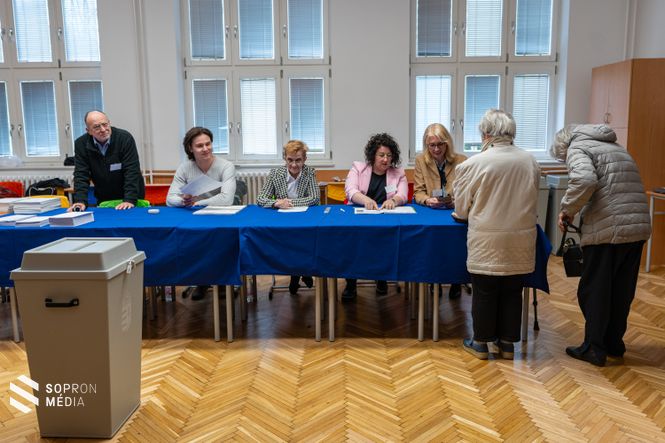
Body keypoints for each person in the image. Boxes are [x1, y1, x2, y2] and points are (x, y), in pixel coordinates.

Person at [550, 124, 651, 367]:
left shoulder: (578, 148)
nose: (565, 161)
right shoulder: (616, 147)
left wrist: (567, 209)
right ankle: (613, 344)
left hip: (608, 230)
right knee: (621, 290)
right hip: (636, 227)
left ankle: (593, 348)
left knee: (594, 289)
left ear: (564, 147)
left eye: (563, 159)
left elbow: (585, 179)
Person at [453, 109, 540, 360]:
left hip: (487, 239)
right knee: (513, 291)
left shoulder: (473, 164)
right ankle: (507, 345)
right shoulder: (530, 161)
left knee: (485, 291)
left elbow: (461, 209)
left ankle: (480, 343)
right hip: (521, 237)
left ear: (486, 133)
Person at [167, 126, 236, 300]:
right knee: (195, 243)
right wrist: (183, 201)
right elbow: (170, 199)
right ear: (190, 148)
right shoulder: (184, 168)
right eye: (199, 146)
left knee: (221, 243)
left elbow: (226, 199)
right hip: (195, 218)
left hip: (221, 216)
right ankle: (201, 281)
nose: (206, 149)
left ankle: (224, 281)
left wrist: (197, 203)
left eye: (208, 144)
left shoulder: (226, 166)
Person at [342, 132, 408, 301]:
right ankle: (351, 283)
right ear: (373, 155)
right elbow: (350, 191)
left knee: (384, 243)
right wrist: (365, 200)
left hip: (384, 218)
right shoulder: (358, 168)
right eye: (381, 155)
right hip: (360, 217)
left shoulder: (398, 173)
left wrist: (393, 200)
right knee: (352, 245)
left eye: (389, 155)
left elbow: (403, 195)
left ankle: (381, 278)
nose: (385, 159)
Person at [257, 140, 320, 294]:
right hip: (283, 219)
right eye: (290, 160)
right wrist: (276, 203)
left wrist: (288, 203)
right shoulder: (275, 174)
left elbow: (314, 198)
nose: (294, 164)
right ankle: (299, 273)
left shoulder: (309, 172)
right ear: (284, 158)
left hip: (305, 218)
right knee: (289, 242)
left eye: (298, 160)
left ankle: (297, 274)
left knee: (304, 240)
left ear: (305, 159)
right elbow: (261, 199)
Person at [414, 123, 467, 299]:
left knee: (455, 246)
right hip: (432, 212)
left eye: (440, 144)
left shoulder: (462, 161)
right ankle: (433, 279)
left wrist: (455, 201)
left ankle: (456, 280)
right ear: (426, 145)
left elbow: (467, 191)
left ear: (447, 143)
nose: (436, 149)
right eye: (432, 145)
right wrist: (427, 200)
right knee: (432, 245)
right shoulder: (421, 161)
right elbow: (418, 192)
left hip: (454, 212)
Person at [70, 110, 145, 211]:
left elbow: (131, 171)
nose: (103, 129)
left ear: (109, 123)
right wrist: (80, 200)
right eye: (97, 127)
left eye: (105, 124)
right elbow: (81, 174)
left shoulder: (124, 138)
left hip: (131, 197)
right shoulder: (81, 144)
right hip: (104, 197)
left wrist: (129, 199)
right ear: (88, 131)